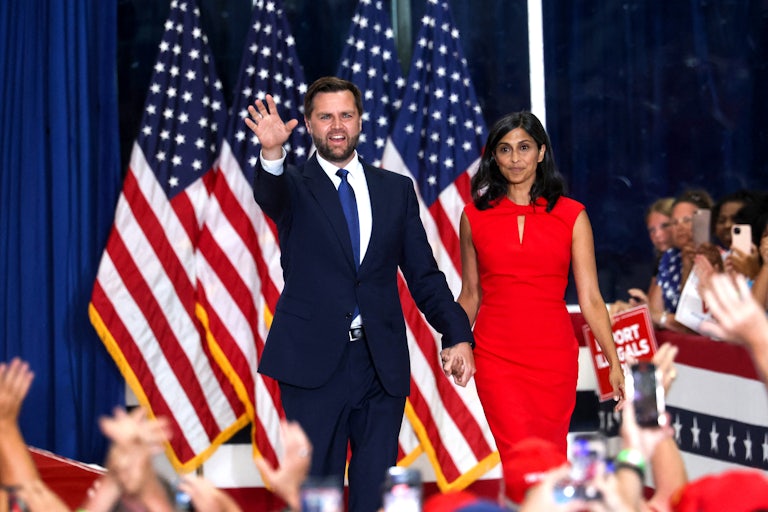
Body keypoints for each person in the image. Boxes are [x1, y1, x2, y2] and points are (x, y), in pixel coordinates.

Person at [244, 76, 475, 512]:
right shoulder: (293, 185)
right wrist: (272, 152)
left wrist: (457, 334)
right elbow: (270, 194)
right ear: (308, 124)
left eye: (346, 115)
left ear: (360, 121)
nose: (337, 126)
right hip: (312, 367)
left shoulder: (395, 190)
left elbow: (424, 276)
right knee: (320, 496)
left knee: (376, 495)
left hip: (379, 364)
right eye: (325, 117)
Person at [456, 111, 624, 503]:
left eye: (524, 147)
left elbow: (591, 299)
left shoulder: (572, 215)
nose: (515, 158)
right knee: (519, 460)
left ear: (541, 152)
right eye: (505, 149)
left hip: (553, 359)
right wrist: (455, 340)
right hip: (496, 357)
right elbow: (470, 294)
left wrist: (613, 362)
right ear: (494, 157)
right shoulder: (473, 216)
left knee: (551, 458)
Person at [648, 189, 714, 332]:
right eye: (674, 222)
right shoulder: (670, 258)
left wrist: (662, 318)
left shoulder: (717, 258)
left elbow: (694, 322)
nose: (680, 227)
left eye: (687, 220)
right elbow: (653, 314)